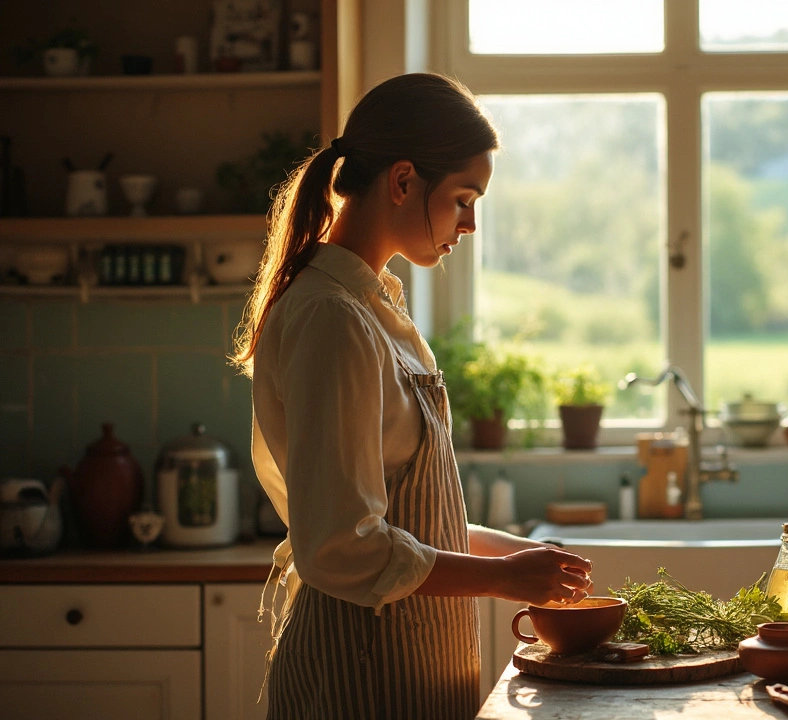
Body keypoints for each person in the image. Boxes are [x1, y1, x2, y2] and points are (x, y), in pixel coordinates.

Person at [231, 73, 594, 720]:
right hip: (358, 671)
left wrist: (521, 557)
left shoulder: (370, 307)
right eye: (463, 198)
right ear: (402, 181)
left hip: (407, 660)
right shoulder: (333, 318)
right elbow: (344, 546)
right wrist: (504, 580)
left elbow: (411, 524)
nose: (472, 223)